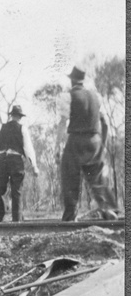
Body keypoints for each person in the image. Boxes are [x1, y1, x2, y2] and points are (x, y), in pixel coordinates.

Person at [60, 66, 117, 221]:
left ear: (72, 81)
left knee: (70, 177)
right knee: (97, 179)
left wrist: (60, 146)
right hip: (95, 141)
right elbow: (104, 123)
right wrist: (102, 145)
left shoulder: (68, 96)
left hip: (76, 141)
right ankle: (107, 209)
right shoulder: (96, 96)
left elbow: (63, 121)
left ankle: (70, 216)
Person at [0, 105, 40, 222]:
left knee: (1, 190)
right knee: (17, 191)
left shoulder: (1, 127)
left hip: (2, 160)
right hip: (15, 161)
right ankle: (17, 221)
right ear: (20, 117)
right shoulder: (22, 129)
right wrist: (34, 166)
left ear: (11, 115)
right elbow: (28, 148)